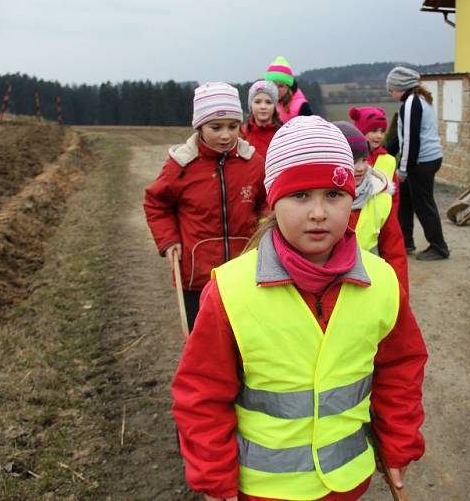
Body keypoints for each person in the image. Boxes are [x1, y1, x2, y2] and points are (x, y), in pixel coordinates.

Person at [171, 116, 427, 501]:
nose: (319, 213)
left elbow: (400, 370)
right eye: (301, 196)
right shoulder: (230, 291)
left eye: (334, 195)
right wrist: (214, 478)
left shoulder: (382, 283)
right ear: (273, 200)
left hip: (347, 481)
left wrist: (399, 443)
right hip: (263, 489)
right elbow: (202, 394)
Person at [144, 82, 266, 331]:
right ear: (199, 127)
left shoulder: (252, 163)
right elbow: (157, 204)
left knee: (244, 334)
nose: (226, 135)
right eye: (216, 127)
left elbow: (267, 203)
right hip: (197, 274)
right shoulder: (181, 165)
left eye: (233, 126)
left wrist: (263, 231)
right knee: (203, 335)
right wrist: (168, 241)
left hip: (244, 269)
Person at [334, 121, 409, 291]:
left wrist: (399, 296)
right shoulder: (314, 203)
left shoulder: (380, 199)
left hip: (370, 286)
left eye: (364, 159)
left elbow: (395, 254)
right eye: (352, 160)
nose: (361, 167)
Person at [386, 66, 450, 261]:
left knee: (424, 205)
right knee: (405, 200)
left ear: (402, 87)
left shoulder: (411, 103)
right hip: (426, 159)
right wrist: (384, 151)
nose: (390, 93)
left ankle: (439, 247)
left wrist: (403, 169)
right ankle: (406, 241)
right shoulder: (418, 100)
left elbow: (411, 140)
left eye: (392, 88)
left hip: (421, 162)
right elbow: (401, 137)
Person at [348, 105, 400, 212]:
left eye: (382, 131)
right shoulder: (347, 157)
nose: (379, 136)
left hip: (381, 219)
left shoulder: (388, 159)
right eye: (374, 131)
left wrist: (391, 214)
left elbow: (395, 194)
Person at [265, 56, 313, 123]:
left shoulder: (301, 105)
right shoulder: (265, 103)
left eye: (281, 86)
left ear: (288, 87)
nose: (276, 89)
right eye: (273, 85)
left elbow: (310, 128)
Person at [241, 80, 281, 159]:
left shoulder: (282, 134)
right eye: (257, 102)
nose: (263, 106)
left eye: (268, 102)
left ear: (275, 106)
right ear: (250, 105)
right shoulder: (241, 134)